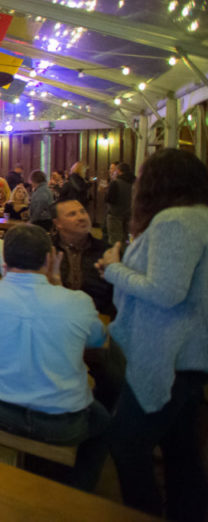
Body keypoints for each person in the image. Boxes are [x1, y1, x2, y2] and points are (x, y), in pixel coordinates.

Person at [96, 149, 208, 520]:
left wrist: (114, 268)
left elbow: (166, 291)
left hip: (168, 354)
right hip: (189, 353)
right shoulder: (197, 218)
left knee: (126, 443)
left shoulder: (175, 221)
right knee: (181, 451)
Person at [0, 224, 109, 491]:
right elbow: (99, 339)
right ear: (49, 259)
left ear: (3, 261)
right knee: (103, 422)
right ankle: (79, 491)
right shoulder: (78, 302)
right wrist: (56, 283)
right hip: (63, 424)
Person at [51, 199, 113, 317]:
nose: (82, 217)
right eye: (72, 214)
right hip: (56, 316)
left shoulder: (106, 252)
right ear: (58, 223)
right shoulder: (48, 250)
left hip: (96, 318)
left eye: (83, 212)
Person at [104, 161, 135, 246]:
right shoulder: (135, 182)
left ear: (119, 171)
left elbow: (109, 199)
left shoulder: (116, 182)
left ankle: (116, 257)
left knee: (115, 240)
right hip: (129, 214)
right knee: (126, 239)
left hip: (115, 215)